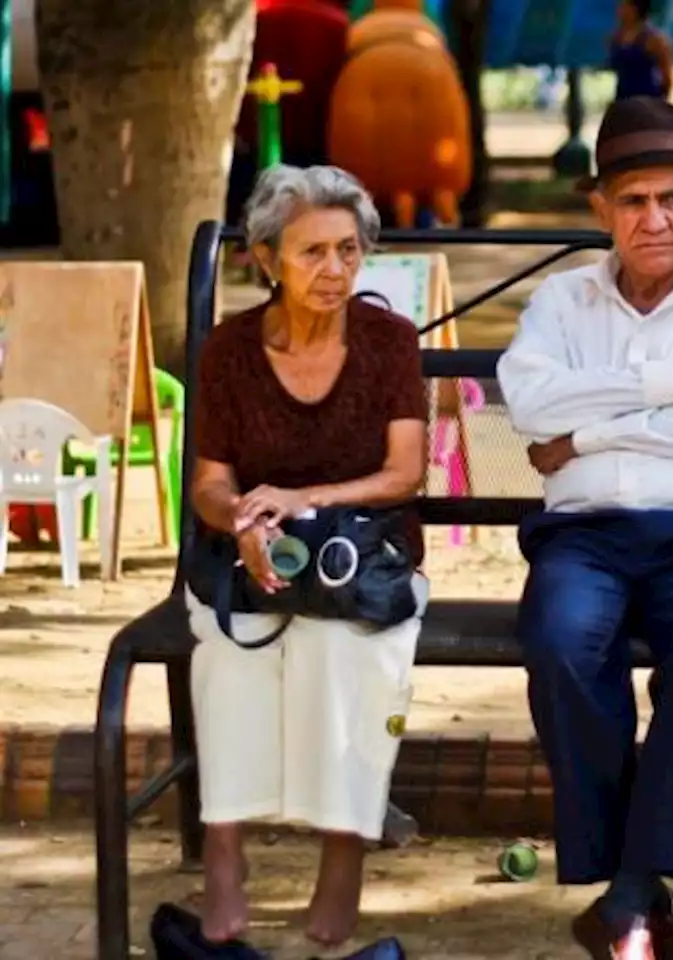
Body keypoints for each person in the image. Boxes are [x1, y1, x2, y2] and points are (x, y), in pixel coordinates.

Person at [496, 96, 673, 959]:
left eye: (671, 198)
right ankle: (635, 887)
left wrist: (587, 433)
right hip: (586, 533)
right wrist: (668, 383)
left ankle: (629, 892)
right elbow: (529, 401)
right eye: (631, 201)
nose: (653, 219)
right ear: (600, 211)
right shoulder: (561, 302)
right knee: (557, 636)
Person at [187, 165, 430, 948]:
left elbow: (405, 472)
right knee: (228, 649)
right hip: (250, 558)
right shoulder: (229, 349)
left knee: (340, 649)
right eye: (312, 253)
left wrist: (304, 499)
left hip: (366, 561)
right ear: (265, 259)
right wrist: (243, 522)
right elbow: (209, 483)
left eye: (349, 251)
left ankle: (343, 853)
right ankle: (223, 853)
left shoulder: (388, 342)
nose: (334, 271)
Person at [610, 0, 673, 102]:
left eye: (623, 7)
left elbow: (666, 75)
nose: (619, 10)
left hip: (647, 99)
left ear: (634, 10)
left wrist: (662, 102)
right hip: (624, 98)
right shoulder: (618, 37)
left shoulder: (654, 38)